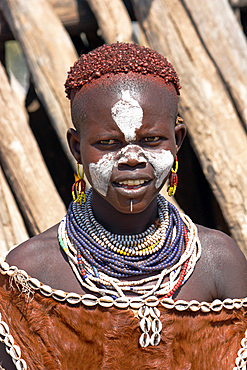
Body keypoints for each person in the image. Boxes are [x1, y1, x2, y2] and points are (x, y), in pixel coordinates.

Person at [0, 42, 247, 369]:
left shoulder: (218, 262)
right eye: (107, 143)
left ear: (178, 141)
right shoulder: (31, 273)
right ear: (77, 148)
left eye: (152, 140)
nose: (131, 159)